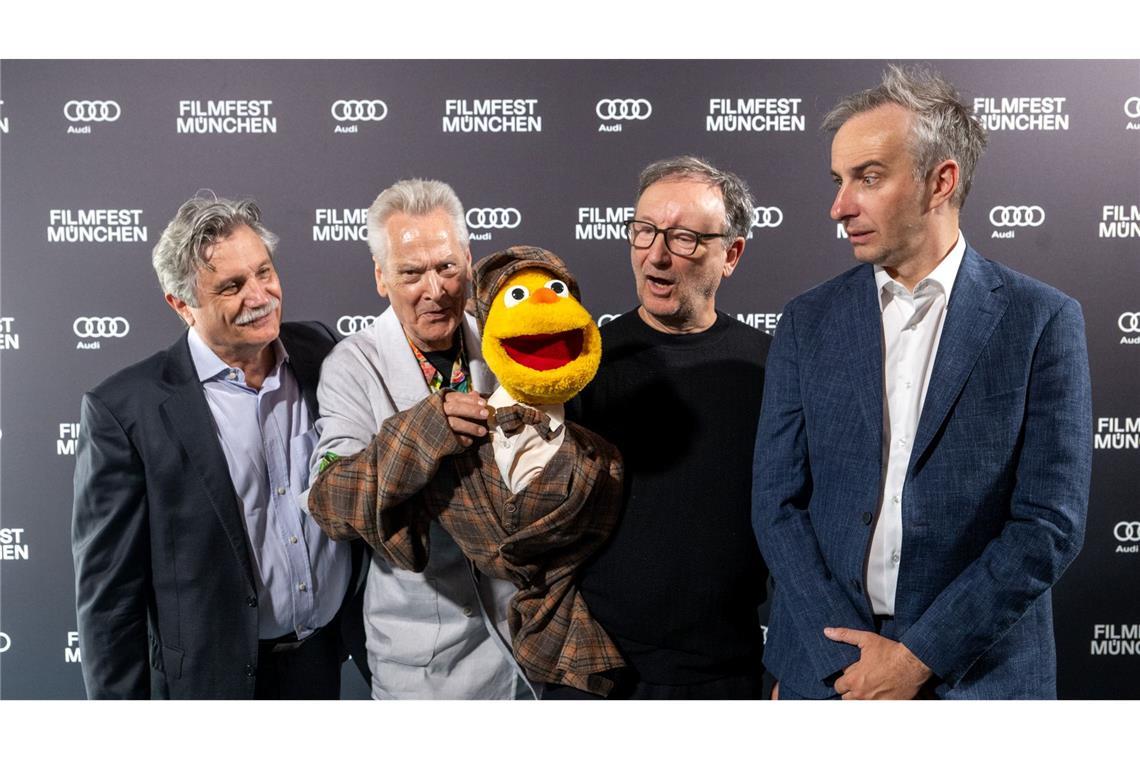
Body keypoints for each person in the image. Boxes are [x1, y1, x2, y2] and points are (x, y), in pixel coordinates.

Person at [752, 65, 1092, 700]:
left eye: (868, 178)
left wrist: (916, 658)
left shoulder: (1041, 319)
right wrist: (842, 659)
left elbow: (1050, 522)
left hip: (979, 679)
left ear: (941, 181)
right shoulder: (806, 320)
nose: (839, 206)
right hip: (826, 676)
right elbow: (777, 502)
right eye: (838, 180)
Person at [72, 194, 358, 699]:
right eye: (231, 286)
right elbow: (110, 600)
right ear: (181, 304)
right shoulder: (124, 411)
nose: (260, 295)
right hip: (211, 685)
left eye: (264, 272)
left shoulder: (320, 351)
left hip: (323, 662)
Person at [541, 156, 773, 699]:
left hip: (724, 677)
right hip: (592, 676)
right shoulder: (582, 364)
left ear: (731, 254)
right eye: (643, 232)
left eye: (685, 238)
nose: (656, 255)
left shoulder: (772, 368)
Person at [305, 179, 534, 699]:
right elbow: (331, 500)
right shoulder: (352, 366)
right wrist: (423, 433)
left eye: (447, 267)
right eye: (411, 272)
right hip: (422, 662)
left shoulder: (505, 343)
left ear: (469, 261)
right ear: (381, 277)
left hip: (522, 643)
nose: (434, 290)